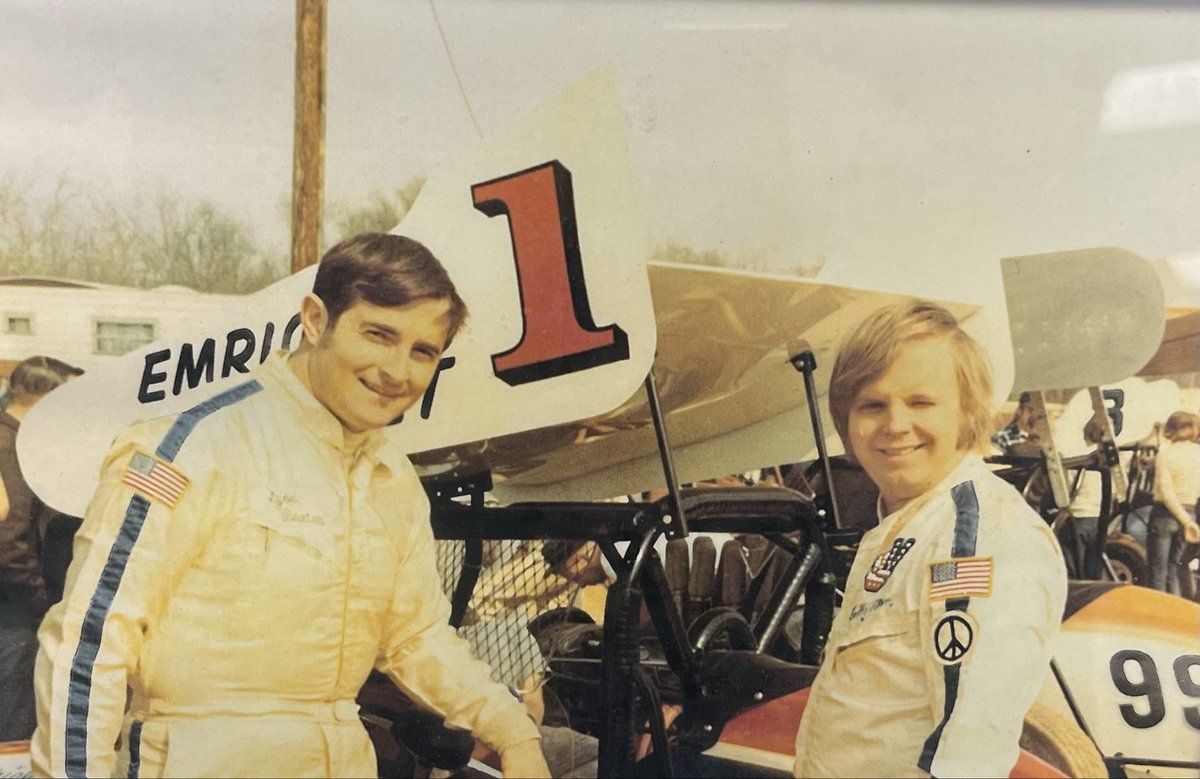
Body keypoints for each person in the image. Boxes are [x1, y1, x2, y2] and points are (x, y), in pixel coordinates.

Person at [33, 234, 549, 778]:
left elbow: (415, 638)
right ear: (314, 319)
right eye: (378, 334)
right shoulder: (189, 447)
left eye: (422, 351)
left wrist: (513, 733)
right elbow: (90, 641)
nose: (398, 371)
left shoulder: (390, 478)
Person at [793, 300, 1067, 778]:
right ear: (846, 419)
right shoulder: (907, 523)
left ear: (966, 413)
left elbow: (969, 754)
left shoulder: (975, 539)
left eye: (921, 402)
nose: (895, 424)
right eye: (872, 405)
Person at [1, 355, 83, 743]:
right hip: (15, 618)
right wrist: (41, 608)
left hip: (14, 612)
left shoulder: (15, 439)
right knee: (14, 731)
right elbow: (10, 540)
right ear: (46, 398)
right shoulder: (10, 447)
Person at [1147, 410, 1200, 594]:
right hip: (1190, 512)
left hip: (1164, 514)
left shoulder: (1165, 454)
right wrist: (1188, 520)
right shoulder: (1197, 454)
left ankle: (1156, 613)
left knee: (1157, 571)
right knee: (1174, 568)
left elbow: (1166, 491)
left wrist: (1185, 520)